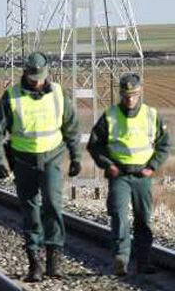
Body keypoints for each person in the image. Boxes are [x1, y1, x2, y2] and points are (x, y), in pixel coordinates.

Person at [0, 52, 82, 282]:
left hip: (51, 158)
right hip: (23, 161)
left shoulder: (59, 94)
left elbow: (71, 126)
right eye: (32, 76)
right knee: (30, 211)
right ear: (25, 73)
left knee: (53, 204)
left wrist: (76, 157)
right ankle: (35, 262)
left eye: (39, 76)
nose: (36, 81)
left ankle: (54, 258)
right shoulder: (12, 96)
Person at [87, 73, 170, 276]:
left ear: (139, 93)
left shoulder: (151, 115)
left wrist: (152, 166)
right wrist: (108, 165)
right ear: (121, 94)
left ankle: (143, 261)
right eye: (126, 95)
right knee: (119, 216)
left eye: (133, 95)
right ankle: (121, 259)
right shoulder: (110, 116)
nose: (129, 99)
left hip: (143, 174)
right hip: (119, 174)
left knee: (143, 219)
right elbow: (95, 145)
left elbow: (164, 145)